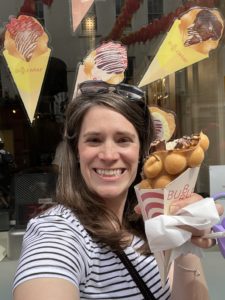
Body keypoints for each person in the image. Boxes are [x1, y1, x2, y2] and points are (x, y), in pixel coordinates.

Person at [13, 80, 223, 300]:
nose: (109, 155)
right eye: (94, 140)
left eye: (123, 140)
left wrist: (184, 239)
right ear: (77, 152)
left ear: (142, 150)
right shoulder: (57, 232)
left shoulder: (152, 224)